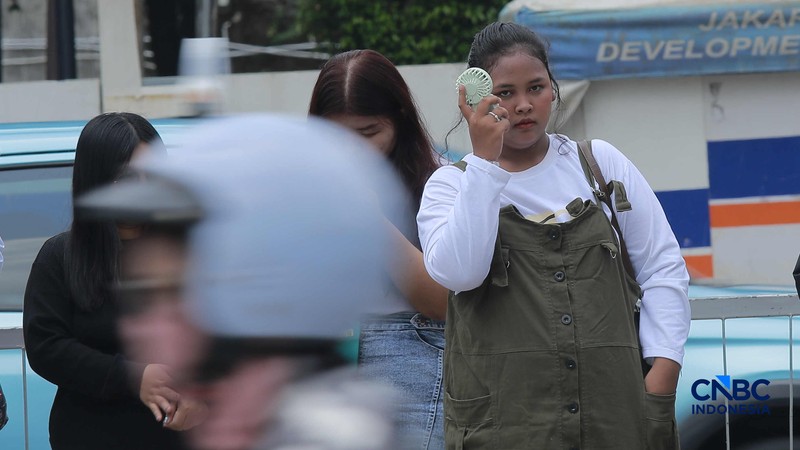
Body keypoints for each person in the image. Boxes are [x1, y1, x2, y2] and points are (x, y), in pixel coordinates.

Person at [417, 22, 691, 449]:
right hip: (507, 427)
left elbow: (662, 267)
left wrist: (664, 370)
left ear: (553, 89)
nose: (524, 105)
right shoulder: (451, 186)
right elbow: (460, 274)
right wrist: (485, 163)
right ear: (475, 99)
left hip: (615, 417)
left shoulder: (599, 164)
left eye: (536, 87)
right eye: (505, 93)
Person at [74, 114, 408, 449]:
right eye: (140, 295)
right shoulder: (250, 424)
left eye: (172, 292)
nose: (138, 327)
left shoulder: (323, 435)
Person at [23, 112, 201, 449]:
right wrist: (133, 377)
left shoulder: (187, 252)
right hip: (89, 435)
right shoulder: (61, 256)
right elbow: (46, 346)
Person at [308, 49, 449, 449]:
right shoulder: (304, 186)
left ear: (400, 119)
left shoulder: (440, 182)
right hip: (327, 361)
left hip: (410, 355)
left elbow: (442, 302)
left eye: (368, 133)